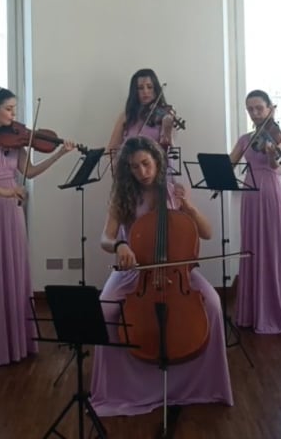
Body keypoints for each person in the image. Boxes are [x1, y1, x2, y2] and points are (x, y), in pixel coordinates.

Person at [89, 136, 233, 416]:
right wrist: (120, 245)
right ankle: (117, 388)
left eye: (146, 163)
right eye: (134, 167)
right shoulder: (123, 196)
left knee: (214, 305)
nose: (142, 172)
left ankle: (204, 384)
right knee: (104, 311)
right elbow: (105, 238)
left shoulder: (173, 191)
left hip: (177, 270)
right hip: (136, 272)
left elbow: (207, 233)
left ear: (157, 160)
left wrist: (189, 207)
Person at [0, 85, 78, 368]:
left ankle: (16, 343)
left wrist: (59, 155)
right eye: (9, 109)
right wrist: (5, 191)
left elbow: (30, 172)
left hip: (11, 215)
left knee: (13, 274)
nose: (14, 115)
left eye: (14, 109)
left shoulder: (15, 141)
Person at [228, 90, 281, 334]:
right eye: (250, 109)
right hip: (250, 196)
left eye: (259, 108)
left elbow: (275, 164)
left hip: (270, 195)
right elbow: (230, 163)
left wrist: (271, 153)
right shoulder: (245, 139)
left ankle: (272, 314)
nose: (255, 113)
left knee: (271, 249)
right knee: (251, 249)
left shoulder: (279, 136)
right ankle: (250, 313)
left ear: (270, 108)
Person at [107, 68, 178, 176]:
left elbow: (169, 150)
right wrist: (120, 170)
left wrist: (168, 128)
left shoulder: (164, 115)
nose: (145, 91)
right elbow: (111, 150)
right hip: (132, 175)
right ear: (135, 92)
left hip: (157, 174)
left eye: (149, 87)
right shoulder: (127, 116)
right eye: (140, 88)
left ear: (156, 89)